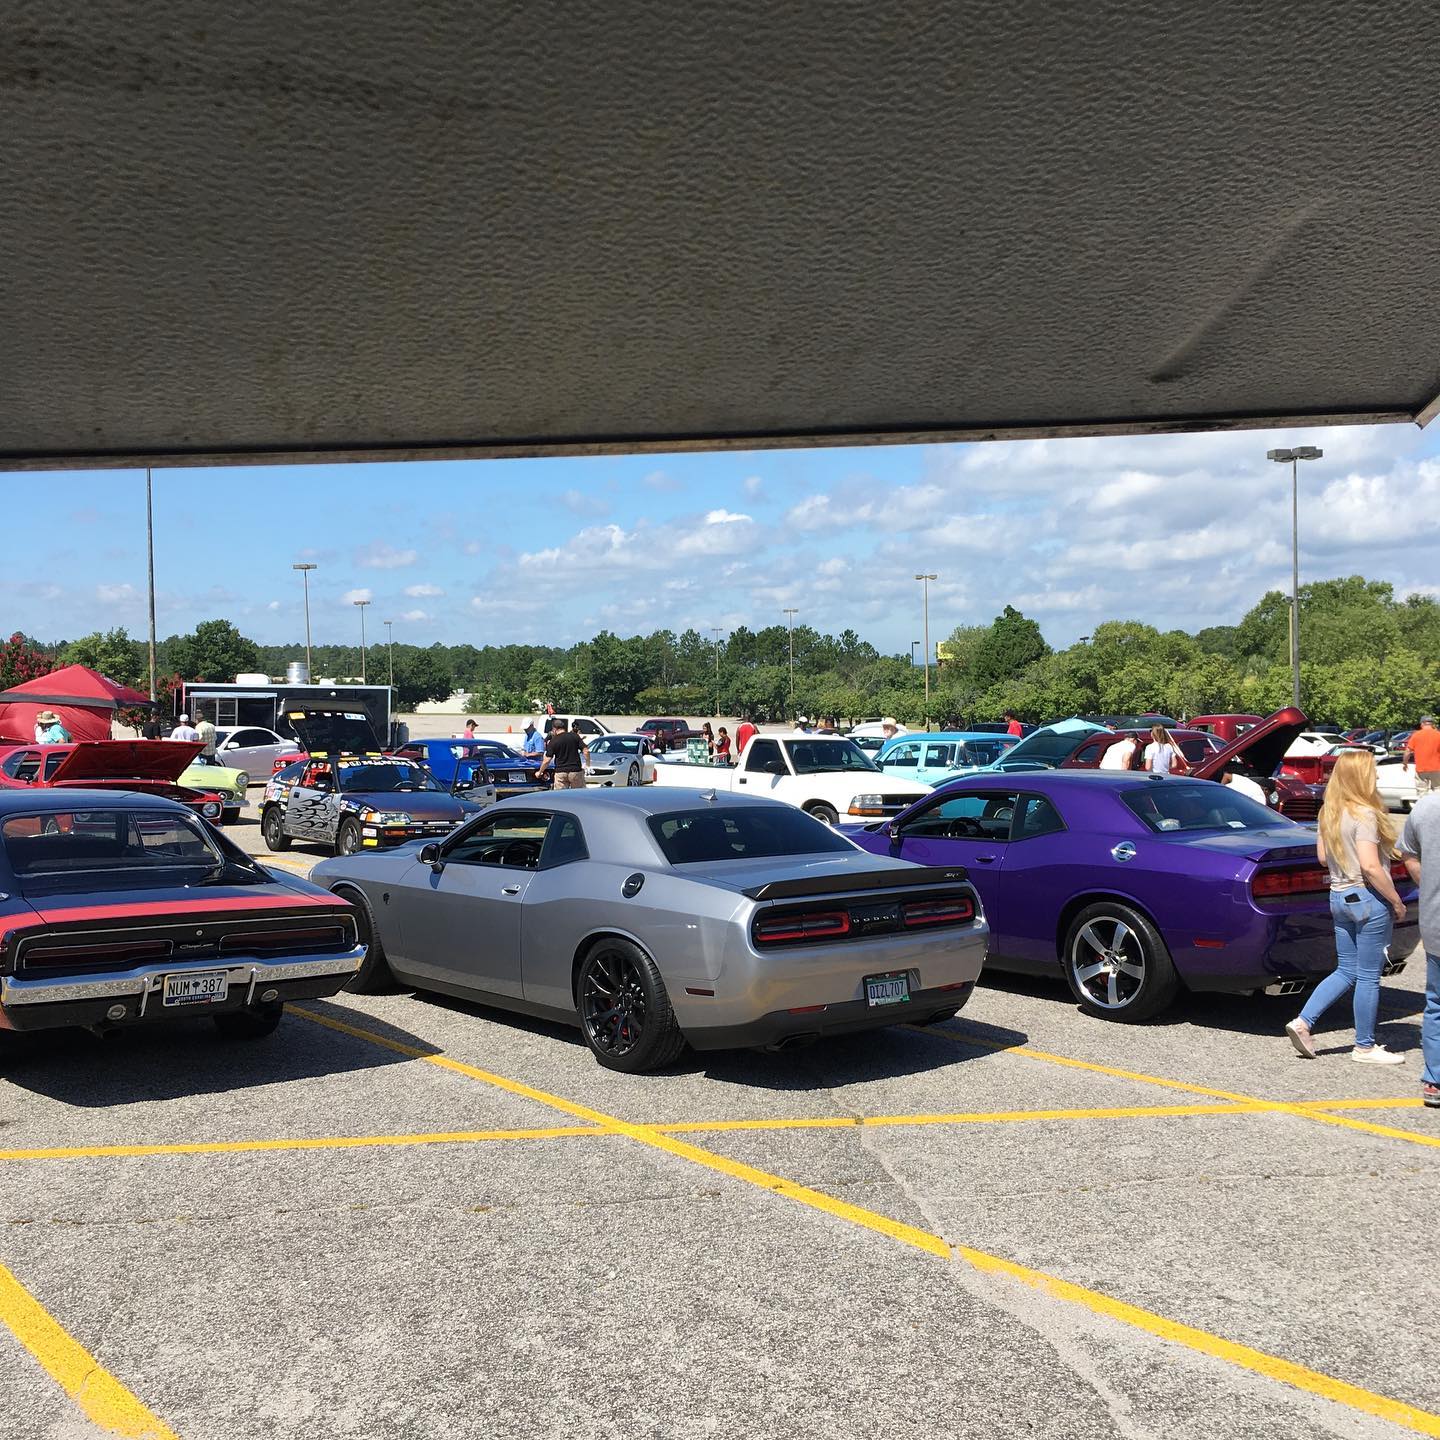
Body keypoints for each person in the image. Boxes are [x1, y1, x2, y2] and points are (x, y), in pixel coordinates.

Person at [1285, 749, 1409, 1065]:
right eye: (1373, 772)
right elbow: (1370, 866)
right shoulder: (1365, 814)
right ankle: (1364, 1046)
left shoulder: (1329, 811)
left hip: (1338, 897)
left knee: (1346, 969)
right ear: (1360, 777)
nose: (1377, 776)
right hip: (1366, 897)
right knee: (1368, 976)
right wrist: (1396, 900)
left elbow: (1324, 859)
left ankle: (1303, 1021)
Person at [1398, 789, 1439, 1105]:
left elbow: (1407, 853)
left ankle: (1434, 1081)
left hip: (1435, 921)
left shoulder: (1425, 806)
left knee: (1436, 1004)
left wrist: (1428, 886)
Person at [536, 716, 588, 789]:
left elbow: (547, 760)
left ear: (554, 729)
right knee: (579, 795)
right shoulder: (574, 736)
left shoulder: (553, 741)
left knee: (560, 796)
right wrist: (587, 764)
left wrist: (540, 772)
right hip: (575, 771)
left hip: (561, 772)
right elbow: (586, 751)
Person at [1404, 715, 1440, 798]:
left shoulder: (1416, 735)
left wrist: (1405, 763)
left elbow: (1408, 751)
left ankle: (1424, 808)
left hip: (1421, 769)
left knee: (1422, 792)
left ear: (1422, 724)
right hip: (1437, 768)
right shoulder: (1438, 735)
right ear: (1432, 724)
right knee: (1438, 789)